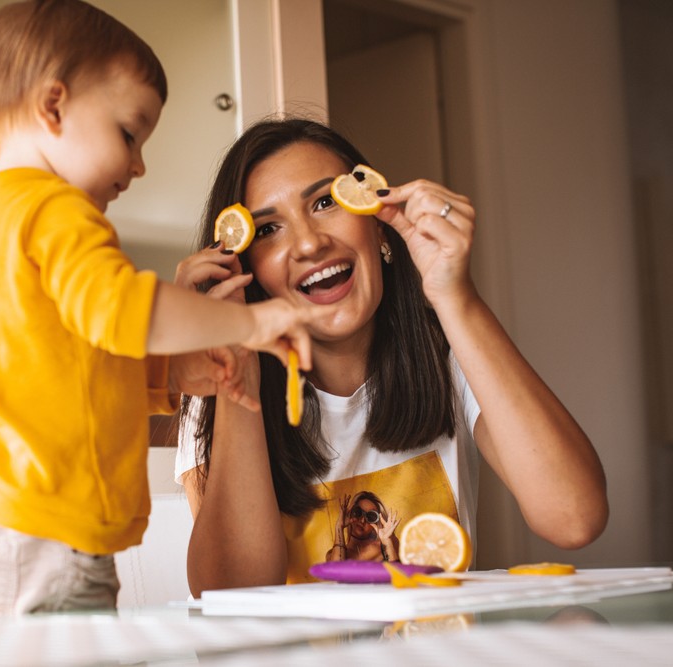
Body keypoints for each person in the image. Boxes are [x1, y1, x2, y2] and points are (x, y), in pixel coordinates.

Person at [0, 1, 319, 621]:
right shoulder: (55, 211)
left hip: (3, 520)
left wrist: (174, 374)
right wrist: (253, 322)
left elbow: (71, 360)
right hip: (32, 531)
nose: (138, 165)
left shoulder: (3, 214)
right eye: (129, 134)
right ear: (54, 106)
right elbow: (123, 308)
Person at [174, 117, 609, 594]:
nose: (309, 243)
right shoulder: (220, 388)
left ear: (378, 227)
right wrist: (237, 361)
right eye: (268, 229)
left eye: (325, 203)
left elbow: (575, 518)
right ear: (247, 272)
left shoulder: (447, 355)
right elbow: (228, 595)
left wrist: (455, 296)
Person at [325, 491, 400, 563]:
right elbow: (337, 569)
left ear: (376, 523)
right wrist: (339, 527)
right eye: (358, 512)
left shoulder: (386, 545)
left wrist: (387, 542)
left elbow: (398, 571)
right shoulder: (333, 554)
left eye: (370, 516)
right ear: (350, 514)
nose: (362, 520)